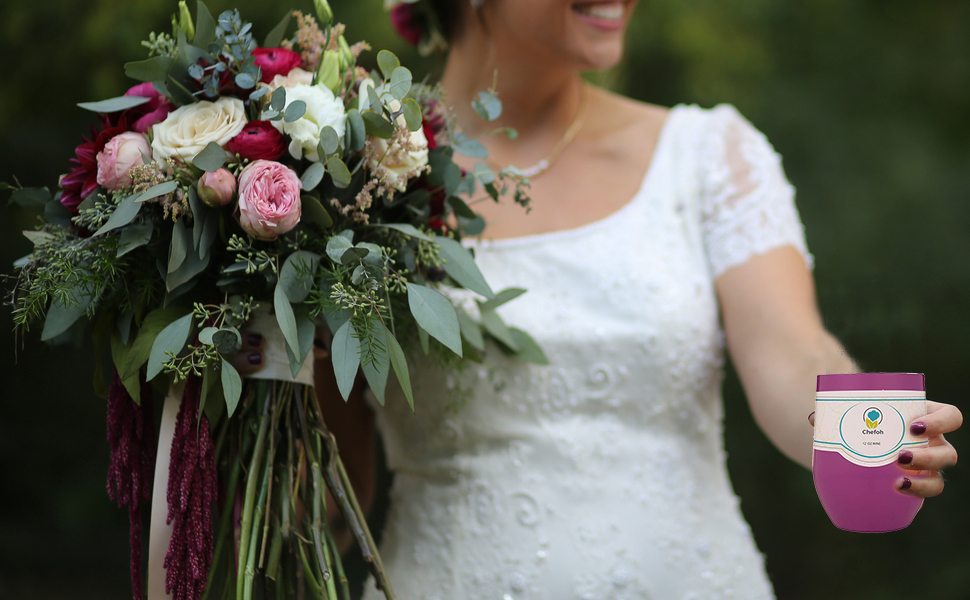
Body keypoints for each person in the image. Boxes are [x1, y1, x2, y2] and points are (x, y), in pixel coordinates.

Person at [239, 0, 963, 598]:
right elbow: (327, 503)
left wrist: (864, 429)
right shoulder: (346, 185)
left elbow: (794, 352)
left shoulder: (710, 155)